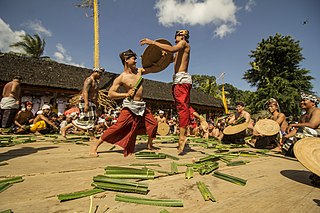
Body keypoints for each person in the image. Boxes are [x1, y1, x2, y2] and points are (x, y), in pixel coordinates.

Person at [140, 30, 208, 154]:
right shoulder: (179, 51)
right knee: (183, 106)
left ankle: (182, 137)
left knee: (181, 108)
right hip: (179, 80)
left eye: (177, 35)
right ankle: (199, 117)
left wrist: (152, 43)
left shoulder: (183, 44)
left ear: (182, 36)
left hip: (182, 80)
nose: (175, 37)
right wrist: (155, 58)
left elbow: (172, 49)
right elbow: (165, 62)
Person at [89, 49, 165, 157]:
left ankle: (149, 144)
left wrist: (163, 58)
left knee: (153, 123)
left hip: (141, 106)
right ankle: (95, 146)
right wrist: (125, 94)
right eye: (133, 59)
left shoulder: (139, 71)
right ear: (126, 60)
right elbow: (111, 94)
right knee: (118, 127)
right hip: (130, 106)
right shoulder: (121, 78)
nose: (135, 61)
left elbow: (155, 68)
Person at [61, 68, 104, 140]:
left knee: (91, 119)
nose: (101, 76)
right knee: (84, 118)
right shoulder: (89, 80)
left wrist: (96, 103)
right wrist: (86, 103)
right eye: (100, 74)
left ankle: (91, 136)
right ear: (95, 72)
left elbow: (95, 94)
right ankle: (65, 128)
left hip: (92, 102)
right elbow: (85, 92)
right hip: (86, 101)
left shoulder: (96, 81)